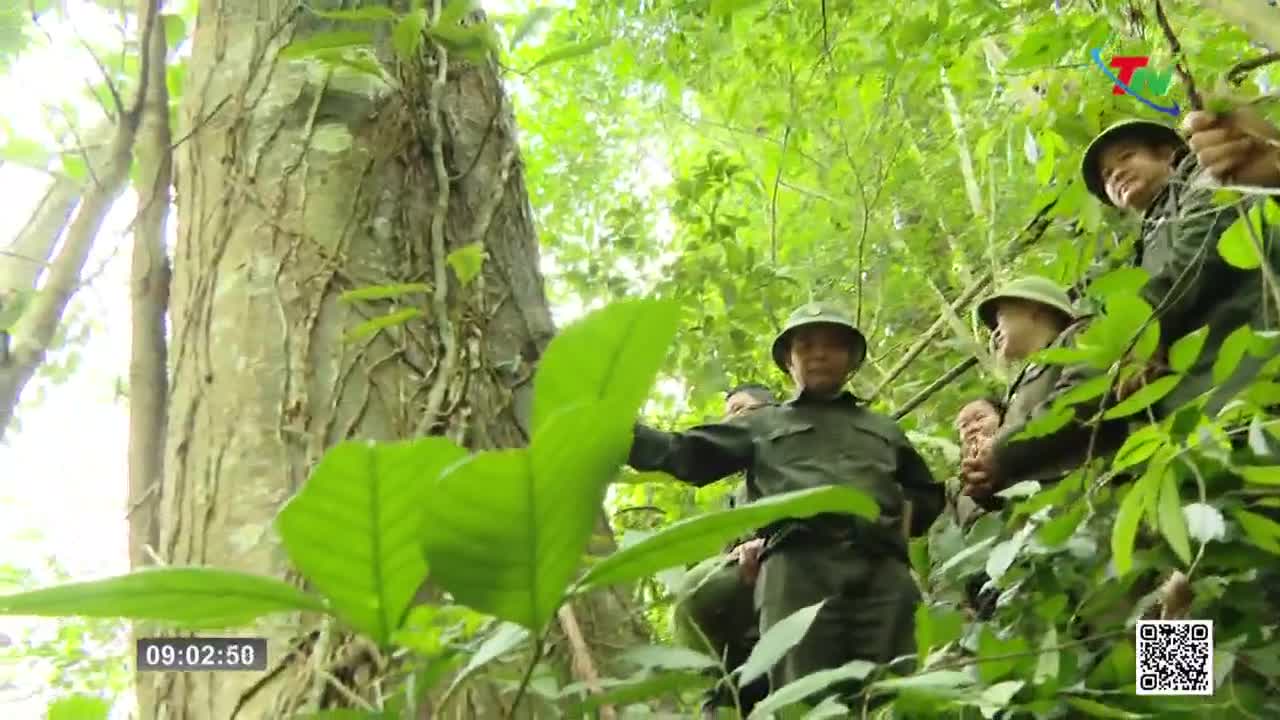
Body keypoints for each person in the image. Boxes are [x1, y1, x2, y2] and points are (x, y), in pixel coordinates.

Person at [628, 301, 944, 701]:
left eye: (831, 345)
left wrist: (896, 530)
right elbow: (685, 452)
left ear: (850, 359)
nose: (818, 354)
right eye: (805, 345)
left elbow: (926, 496)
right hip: (796, 570)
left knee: (890, 693)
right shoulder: (763, 424)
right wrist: (616, 431)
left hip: (882, 572)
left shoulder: (884, 429)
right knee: (800, 695)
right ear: (788, 363)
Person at [1078, 111, 1280, 417]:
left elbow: (1202, 245)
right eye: (1107, 175)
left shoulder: (1204, 178)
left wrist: (1141, 328)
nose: (1116, 174)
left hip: (1257, 368)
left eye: (1127, 157)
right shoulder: (1143, 248)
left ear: (1166, 154)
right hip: (1203, 406)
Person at [960, 277, 1129, 508]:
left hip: (1098, 496)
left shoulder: (1081, 335)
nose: (994, 333)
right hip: (1047, 517)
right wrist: (985, 482)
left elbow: (1080, 400)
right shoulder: (1018, 388)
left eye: (1000, 319)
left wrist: (1000, 450)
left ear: (1034, 309)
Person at [668, 383, 773, 717]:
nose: (733, 420)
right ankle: (723, 694)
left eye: (741, 410)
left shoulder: (796, 453)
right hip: (749, 596)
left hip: (799, 564)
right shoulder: (734, 498)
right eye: (728, 414)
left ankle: (721, 696)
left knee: (694, 592)